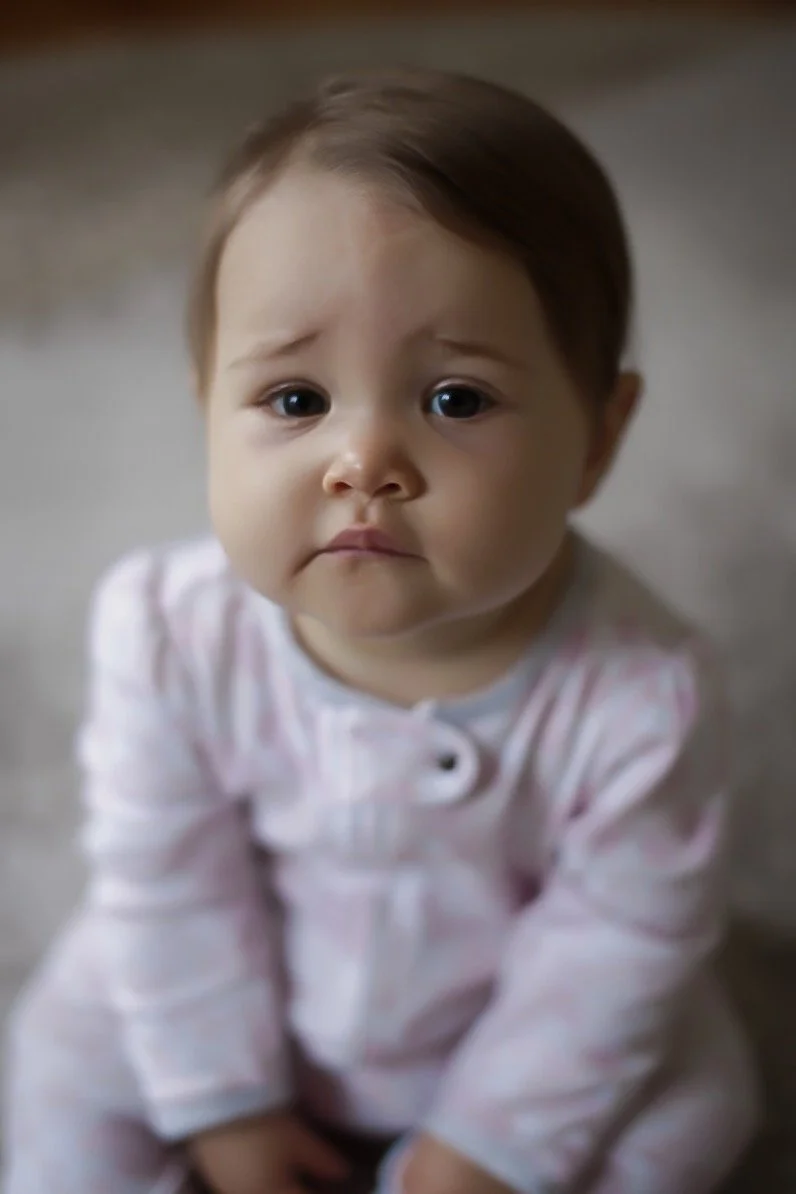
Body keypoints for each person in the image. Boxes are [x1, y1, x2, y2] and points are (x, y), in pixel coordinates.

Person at [2, 67, 759, 1194]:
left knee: (700, 1110)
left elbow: (618, 940)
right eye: (296, 400)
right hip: (244, 976)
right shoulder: (169, 634)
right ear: (207, 405)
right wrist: (225, 1103)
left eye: (456, 399)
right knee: (64, 1046)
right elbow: (170, 879)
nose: (363, 463)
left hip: (505, 1016)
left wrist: (483, 1149)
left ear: (597, 440)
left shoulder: (644, 693)